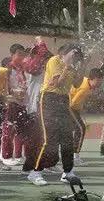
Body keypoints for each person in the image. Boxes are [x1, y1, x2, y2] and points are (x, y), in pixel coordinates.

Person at [32, 44, 85, 185]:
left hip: (63, 100)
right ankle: (35, 172)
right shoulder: (55, 61)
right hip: (49, 99)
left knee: (67, 138)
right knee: (49, 139)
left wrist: (81, 67)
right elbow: (57, 84)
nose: (75, 58)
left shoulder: (72, 66)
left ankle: (67, 172)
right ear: (64, 53)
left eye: (77, 56)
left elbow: (78, 84)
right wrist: (67, 66)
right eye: (73, 55)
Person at [21, 37, 52, 182]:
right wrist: (41, 44)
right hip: (34, 107)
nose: (44, 58)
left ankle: (42, 164)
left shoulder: (43, 66)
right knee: (36, 140)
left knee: (43, 139)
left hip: (45, 107)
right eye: (42, 55)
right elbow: (35, 66)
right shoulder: (30, 64)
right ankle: (31, 168)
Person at [0, 44, 29, 167]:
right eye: (19, 54)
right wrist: (13, 92)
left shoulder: (22, 68)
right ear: (12, 55)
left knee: (21, 129)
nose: (22, 57)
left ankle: (18, 154)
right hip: (11, 102)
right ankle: (6, 155)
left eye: (23, 54)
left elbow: (24, 83)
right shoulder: (8, 68)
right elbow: (4, 86)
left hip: (21, 102)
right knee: (9, 128)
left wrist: (23, 90)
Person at [69, 66, 104, 164]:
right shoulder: (84, 88)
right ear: (91, 79)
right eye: (98, 82)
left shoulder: (86, 83)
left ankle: (72, 154)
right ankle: (74, 156)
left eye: (101, 82)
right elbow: (72, 104)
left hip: (72, 109)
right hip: (68, 109)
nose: (99, 84)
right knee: (80, 129)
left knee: (77, 129)